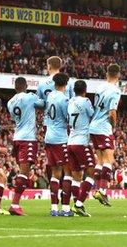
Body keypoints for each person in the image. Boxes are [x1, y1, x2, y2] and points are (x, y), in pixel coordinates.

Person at [7, 77, 44, 216]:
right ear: (26, 86)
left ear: (15, 87)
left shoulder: (10, 102)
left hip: (17, 138)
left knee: (23, 172)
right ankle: (15, 205)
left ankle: (15, 203)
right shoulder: (29, 97)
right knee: (24, 173)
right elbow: (43, 104)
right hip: (27, 139)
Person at [89, 64, 122, 207]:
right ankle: (102, 190)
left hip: (93, 126)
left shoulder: (99, 87)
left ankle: (96, 189)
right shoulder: (115, 91)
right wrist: (113, 126)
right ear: (118, 75)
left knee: (100, 161)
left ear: (107, 74)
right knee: (109, 159)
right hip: (103, 127)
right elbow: (112, 112)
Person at [44, 72, 72, 216]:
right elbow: (68, 118)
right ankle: (66, 208)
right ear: (66, 84)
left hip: (49, 137)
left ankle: (54, 208)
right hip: (61, 138)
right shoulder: (64, 99)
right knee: (68, 172)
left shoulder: (50, 96)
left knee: (55, 173)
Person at [67, 80, 96, 217]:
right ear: (85, 90)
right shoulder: (86, 101)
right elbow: (92, 114)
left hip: (70, 142)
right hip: (81, 142)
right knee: (91, 172)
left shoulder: (70, 101)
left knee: (76, 176)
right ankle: (79, 204)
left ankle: (75, 204)